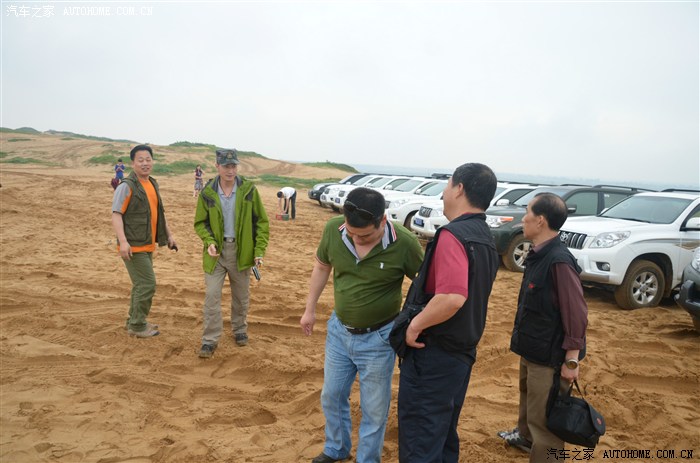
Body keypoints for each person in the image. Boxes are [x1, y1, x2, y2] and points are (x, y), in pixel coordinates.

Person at [301, 187, 424, 463]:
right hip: (339, 332)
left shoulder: (405, 243)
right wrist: (310, 310)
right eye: (351, 233)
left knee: (374, 409)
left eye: (365, 235)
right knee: (332, 395)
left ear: (383, 221)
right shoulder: (334, 229)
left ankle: (367, 459)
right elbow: (322, 266)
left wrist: (413, 321)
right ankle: (336, 448)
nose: (357, 239)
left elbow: (424, 284)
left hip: (380, 338)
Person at [396, 163, 499, 463]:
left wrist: (415, 325)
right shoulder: (485, 236)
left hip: (434, 355)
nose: (443, 192)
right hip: (460, 354)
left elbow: (453, 297)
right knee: (442, 435)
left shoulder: (453, 235)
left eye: (448, 184)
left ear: (459, 189)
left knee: (421, 438)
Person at [498, 192, 588, 462]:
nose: (523, 218)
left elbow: (576, 313)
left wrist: (571, 361)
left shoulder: (559, 261)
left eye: (527, 212)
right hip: (533, 348)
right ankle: (526, 439)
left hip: (549, 358)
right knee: (529, 403)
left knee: (545, 421)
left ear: (540, 221)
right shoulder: (539, 254)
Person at [194, 149, 269, 358]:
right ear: (217, 166)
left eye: (234, 166)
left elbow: (262, 222)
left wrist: (258, 251)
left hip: (241, 252)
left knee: (241, 296)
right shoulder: (207, 192)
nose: (230, 170)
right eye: (226, 166)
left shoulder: (249, 190)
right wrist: (209, 241)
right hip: (215, 254)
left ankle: (240, 330)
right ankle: (209, 340)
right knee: (211, 297)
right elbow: (200, 223)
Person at [111, 145, 178, 338]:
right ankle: (138, 326)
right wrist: (123, 242)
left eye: (148, 159)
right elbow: (116, 214)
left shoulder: (152, 184)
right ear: (132, 163)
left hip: (147, 244)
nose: (145, 163)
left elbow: (159, 213)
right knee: (147, 284)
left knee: (140, 285)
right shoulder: (126, 186)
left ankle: (133, 321)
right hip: (133, 246)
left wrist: (169, 236)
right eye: (140, 160)